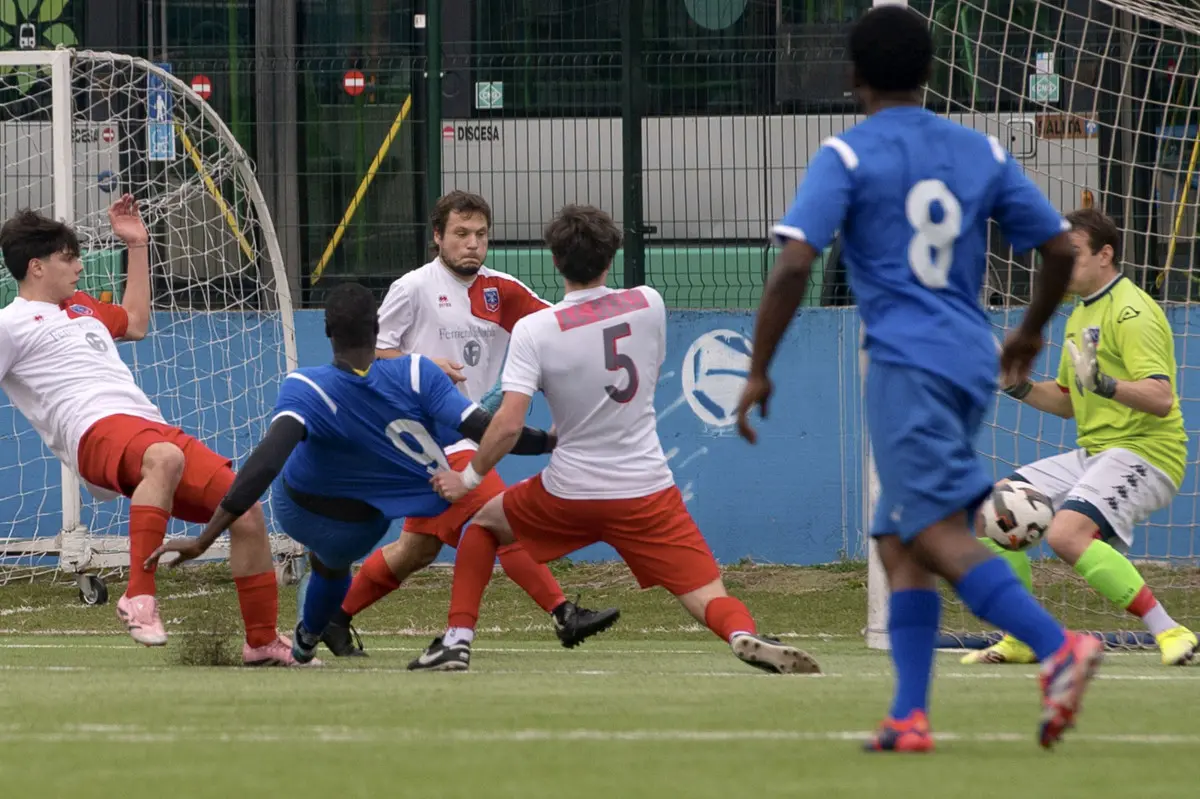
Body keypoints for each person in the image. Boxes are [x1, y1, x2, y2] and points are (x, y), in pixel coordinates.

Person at [734, 5, 1103, 751]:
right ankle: (909, 714)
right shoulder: (981, 152)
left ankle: (1058, 646)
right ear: (932, 74)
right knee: (898, 540)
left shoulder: (845, 156)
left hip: (907, 361)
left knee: (932, 534)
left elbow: (796, 263)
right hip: (970, 356)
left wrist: (759, 368)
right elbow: (1061, 250)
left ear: (853, 77)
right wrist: (1029, 334)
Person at [431, 204, 821, 676]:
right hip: (645, 489)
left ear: (554, 261)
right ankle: (739, 631)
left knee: (484, 526)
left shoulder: (537, 329)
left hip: (569, 490)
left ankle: (457, 641)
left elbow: (509, 424)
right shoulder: (649, 303)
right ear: (611, 257)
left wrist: (469, 477)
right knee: (707, 595)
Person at [146, 282, 564, 666]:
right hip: (365, 527)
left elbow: (267, 462)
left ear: (328, 332)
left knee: (330, 559)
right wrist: (549, 441)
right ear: (377, 327)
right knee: (349, 557)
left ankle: (310, 635)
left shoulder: (306, 387)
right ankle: (315, 636)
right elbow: (488, 431)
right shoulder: (420, 373)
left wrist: (205, 537)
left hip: (299, 508)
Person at [327, 190, 618, 670]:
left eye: (481, 235)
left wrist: (608, 330)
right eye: (461, 234)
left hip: (468, 433)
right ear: (437, 236)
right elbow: (367, 356)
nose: (472, 244)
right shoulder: (414, 288)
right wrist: (421, 366)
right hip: (419, 438)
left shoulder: (501, 290)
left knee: (414, 550)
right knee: (498, 516)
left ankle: (329, 621)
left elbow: (560, 324)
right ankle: (563, 613)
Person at [0, 199, 294, 665]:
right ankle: (138, 596)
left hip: (143, 423)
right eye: (68, 257)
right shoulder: (9, 324)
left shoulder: (83, 307)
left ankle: (261, 641)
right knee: (165, 458)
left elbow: (135, 323)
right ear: (36, 267)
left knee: (246, 509)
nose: (79, 265)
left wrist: (138, 245)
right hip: (91, 430)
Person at [964, 208, 1196, 667]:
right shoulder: (1080, 312)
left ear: (1105, 254)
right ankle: (1022, 636)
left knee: (1068, 534)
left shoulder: (1132, 312)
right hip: (1098, 452)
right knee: (990, 517)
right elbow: (1070, 401)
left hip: (1149, 451)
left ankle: (1169, 630)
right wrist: (1016, 385)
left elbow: (1161, 397)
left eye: (1072, 254)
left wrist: (1107, 384)